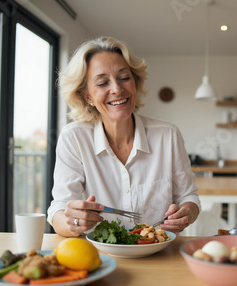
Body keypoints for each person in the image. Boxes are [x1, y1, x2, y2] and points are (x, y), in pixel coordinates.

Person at [47, 36, 200, 237]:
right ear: (87, 97)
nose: (117, 89)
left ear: (135, 83)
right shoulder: (74, 138)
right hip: (99, 257)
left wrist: (186, 212)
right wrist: (74, 222)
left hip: (158, 255)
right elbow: (59, 209)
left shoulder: (167, 134)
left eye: (124, 78)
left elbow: (188, 197)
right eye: (102, 83)